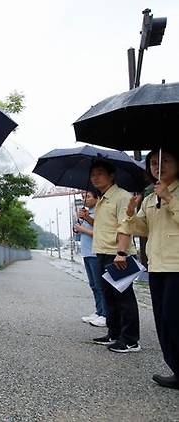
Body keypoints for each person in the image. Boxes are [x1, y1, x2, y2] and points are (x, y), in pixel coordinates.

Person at [119, 148, 179, 389]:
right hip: (156, 265)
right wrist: (131, 214)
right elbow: (143, 230)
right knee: (163, 321)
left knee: (174, 318)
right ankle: (176, 369)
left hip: (176, 265)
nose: (158, 166)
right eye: (153, 162)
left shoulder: (169, 193)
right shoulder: (150, 197)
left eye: (165, 161)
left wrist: (169, 199)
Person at [85, 160, 140, 353]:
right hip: (101, 252)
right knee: (109, 297)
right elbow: (104, 226)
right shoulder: (102, 199)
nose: (95, 178)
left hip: (117, 254)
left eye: (100, 173)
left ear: (111, 176)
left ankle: (131, 340)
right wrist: (87, 219)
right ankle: (114, 333)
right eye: (93, 175)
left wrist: (121, 253)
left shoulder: (122, 197)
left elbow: (126, 225)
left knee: (123, 297)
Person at [75, 190, 107, 327]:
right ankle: (98, 311)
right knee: (93, 285)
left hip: (95, 253)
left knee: (100, 286)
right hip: (86, 252)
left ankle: (105, 314)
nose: (84, 199)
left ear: (97, 197)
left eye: (87, 196)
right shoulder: (86, 212)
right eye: (83, 197)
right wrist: (78, 225)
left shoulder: (99, 212)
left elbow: (100, 232)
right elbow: (80, 230)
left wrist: (83, 228)